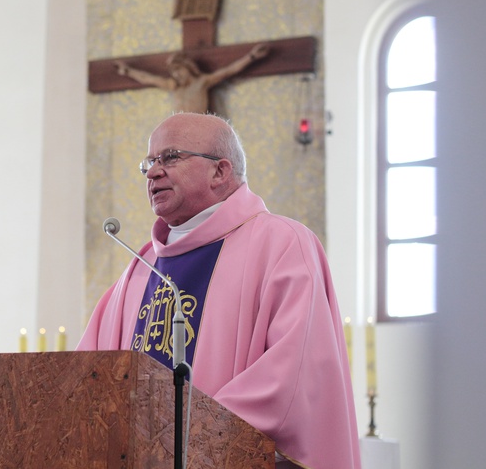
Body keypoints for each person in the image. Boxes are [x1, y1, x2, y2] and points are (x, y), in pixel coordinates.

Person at [77, 113, 361, 469]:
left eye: (171, 157)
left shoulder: (281, 244)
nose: (152, 172)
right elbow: (87, 378)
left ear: (220, 171)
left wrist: (182, 435)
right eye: (149, 162)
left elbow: (293, 372)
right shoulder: (140, 267)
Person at [114, 43, 269, 113]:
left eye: (179, 70)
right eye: (173, 72)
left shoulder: (203, 82)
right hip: (179, 130)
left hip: (200, 126)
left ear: (188, 67)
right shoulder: (173, 85)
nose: (176, 75)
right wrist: (128, 71)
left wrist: (252, 56)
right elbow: (147, 78)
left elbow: (229, 71)